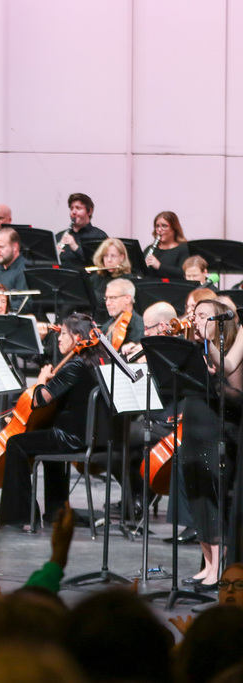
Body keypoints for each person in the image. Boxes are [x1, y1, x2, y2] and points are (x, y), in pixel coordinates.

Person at [0, 313, 102, 529]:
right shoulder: (91, 362)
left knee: (16, 443)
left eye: (63, 334)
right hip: (85, 433)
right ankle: (55, 511)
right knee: (44, 435)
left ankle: (19, 516)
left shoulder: (74, 366)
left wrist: (41, 380)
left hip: (71, 437)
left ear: (78, 336)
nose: (59, 339)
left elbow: (39, 400)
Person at [179, 299, 241, 589]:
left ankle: (218, 566)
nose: (196, 320)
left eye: (204, 316)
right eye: (196, 315)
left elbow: (235, 395)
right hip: (192, 428)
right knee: (196, 497)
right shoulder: (193, 349)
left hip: (217, 431)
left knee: (213, 499)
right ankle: (207, 564)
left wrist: (210, 350)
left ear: (219, 321)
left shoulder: (227, 349)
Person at [58, 192, 107, 268]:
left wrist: (75, 247)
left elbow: (99, 263)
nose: (74, 212)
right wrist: (55, 254)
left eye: (78, 208)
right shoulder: (60, 236)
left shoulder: (99, 236)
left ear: (89, 211)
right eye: (71, 208)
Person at [88, 237, 132, 319]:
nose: (109, 260)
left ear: (122, 257)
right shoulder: (96, 277)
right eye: (105, 256)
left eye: (113, 256)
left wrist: (92, 295)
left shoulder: (127, 280)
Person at [0, 227, 28, 311]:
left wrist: (0, 307)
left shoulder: (25, 270)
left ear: (15, 247)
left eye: (1, 247)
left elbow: (26, 303)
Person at [100, 278, 144, 350]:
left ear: (127, 299)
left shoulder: (140, 328)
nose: (107, 303)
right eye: (106, 298)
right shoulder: (108, 326)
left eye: (113, 298)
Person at [144, 210, 189, 279]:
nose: (159, 230)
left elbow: (183, 272)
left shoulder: (183, 249)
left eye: (164, 226)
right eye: (157, 226)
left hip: (173, 287)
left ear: (174, 228)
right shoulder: (150, 249)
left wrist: (159, 266)